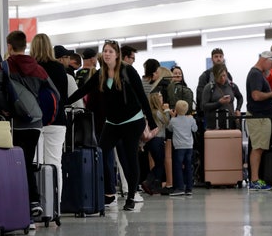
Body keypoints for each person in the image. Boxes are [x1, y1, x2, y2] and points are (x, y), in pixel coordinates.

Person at [68, 39, 157, 211]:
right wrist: (65, 101)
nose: (107, 54)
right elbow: (84, 90)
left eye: (110, 51)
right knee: (101, 151)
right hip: (113, 122)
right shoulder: (100, 74)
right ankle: (106, 192)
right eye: (105, 51)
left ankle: (131, 196)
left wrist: (151, 121)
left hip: (132, 120)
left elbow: (141, 94)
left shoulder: (127, 71)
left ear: (117, 55)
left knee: (130, 158)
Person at [0, 30, 47, 218]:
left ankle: (18, 201)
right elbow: (52, 93)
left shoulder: (4, 65)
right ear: (25, 46)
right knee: (27, 161)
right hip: (35, 123)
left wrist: (6, 108)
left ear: (10, 47)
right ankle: (34, 201)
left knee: (14, 163)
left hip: (15, 123)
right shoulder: (38, 68)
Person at [30, 33, 69, 210]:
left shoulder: (30, 68)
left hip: (35, 121)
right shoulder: (59, 68)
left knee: (36, 163)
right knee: (55, 163)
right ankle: (55, 208)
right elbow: (64, 98)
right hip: (57, 120)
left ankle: (36, 204)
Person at [246, 51, 272, 191]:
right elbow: (256, 95)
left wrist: (271, 107)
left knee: (259, 148)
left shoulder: (257, 74)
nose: (271, 67)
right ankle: (254, 180)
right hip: (258, 117)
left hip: (261, 115)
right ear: (265, 60)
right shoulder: (255, 74)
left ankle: (255, 179)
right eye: (271, 63)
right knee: (258, 148)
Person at [167, 100, 198, 196]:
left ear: (175, 109)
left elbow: (169, 129)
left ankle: (180, 187)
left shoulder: (173, 120)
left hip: (179, 147)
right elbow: (195, 129)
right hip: (189, 146)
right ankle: (189, 188)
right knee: (188, 167)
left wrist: (172, 116)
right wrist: (193, 120)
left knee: (178, 167)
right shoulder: (190, 119)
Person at [141, 92, 170, 195]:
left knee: (158, 163)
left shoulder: (151, 112)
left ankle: (153, 186)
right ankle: (148, 181)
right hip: (158, 140)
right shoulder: (158, 112)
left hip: (151, 140)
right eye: (160, 97)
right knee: (159, 163)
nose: (162, 98)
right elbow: (167, 123)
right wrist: (167, 110)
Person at [201, 63, 242, 130]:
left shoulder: (232, 86)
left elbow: (240, 97)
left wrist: (238, 109)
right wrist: (219, 103)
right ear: (214, 75)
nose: (222, 78)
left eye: (224, 75)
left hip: (230, 123)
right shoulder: (209, 87)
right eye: (219, 76)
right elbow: (204, 106)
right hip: (214, 125)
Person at [196, 48, 235, 113]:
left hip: (228, 114)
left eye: (220, 56)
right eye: (216, 56)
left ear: (223, 58)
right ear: (212, 59)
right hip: (211, 114)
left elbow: (233, 92)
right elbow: (200, 96)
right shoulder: (205, 75)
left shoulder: (228, 75)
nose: (218, 59)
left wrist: (237, 109)